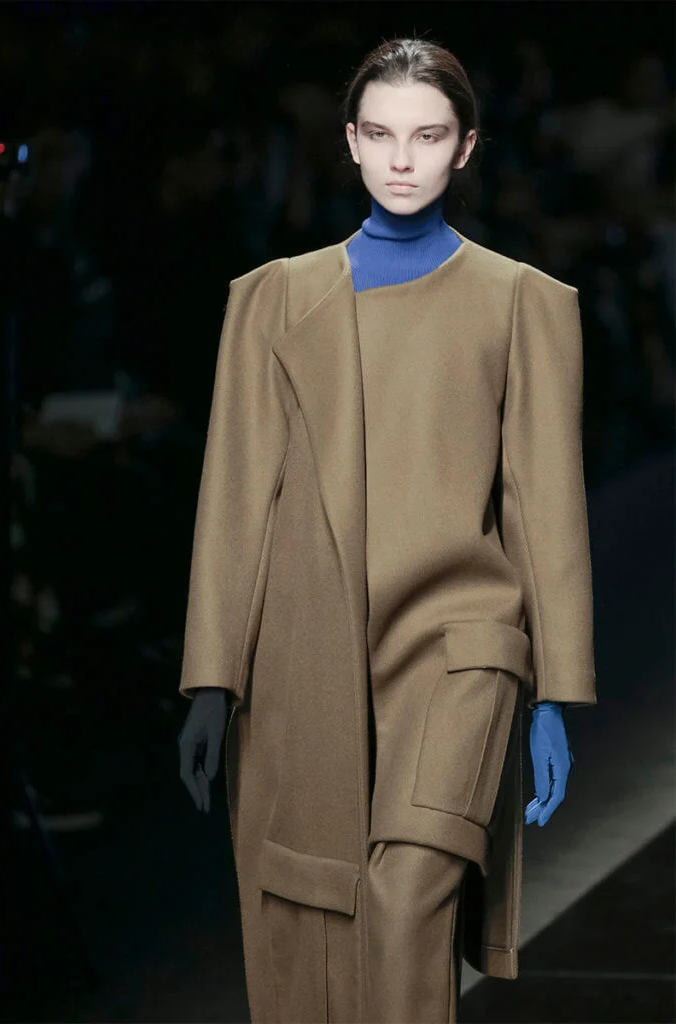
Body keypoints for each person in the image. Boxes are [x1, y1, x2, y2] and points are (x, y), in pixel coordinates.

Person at [177, 37, 597, 1024]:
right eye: (380, 134)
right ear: (351, 142)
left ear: (465, 147)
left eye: (428, 135)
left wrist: (552, 696)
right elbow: (236, 493)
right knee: (315, 918)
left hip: (458, 652)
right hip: (302, 658)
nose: (401, 159)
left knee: (406, 899)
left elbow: (543, 504)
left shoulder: (522, 303)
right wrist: (211, 680)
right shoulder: (272, 300)